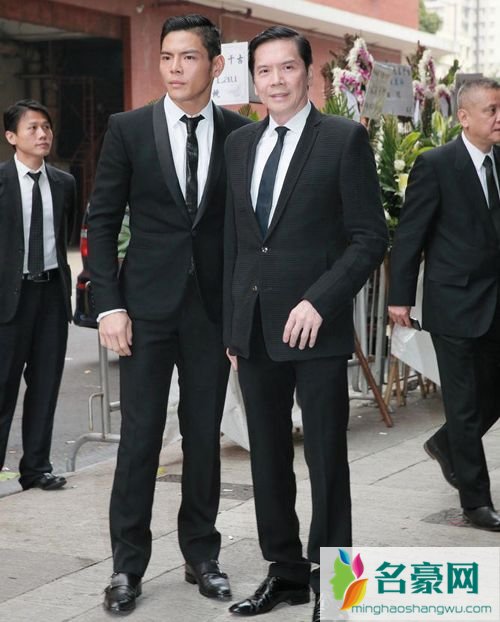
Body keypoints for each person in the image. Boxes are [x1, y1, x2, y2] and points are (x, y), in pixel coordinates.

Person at [223, 26, 388, 622]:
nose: (275, 81)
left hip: (317, 330)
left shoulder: (343, 139)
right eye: (264, 71)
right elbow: (237, 242)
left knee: (325, 461)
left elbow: (370, 238)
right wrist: (233, 328)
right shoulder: (240, 143)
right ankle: (287, 574)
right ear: (254, 78)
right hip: (256, 332)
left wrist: (319, 301)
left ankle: (338, 589)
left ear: (308, 73)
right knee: (267, 460)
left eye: (286, 68)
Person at [87, 14, 250, 615]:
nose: (175, 68)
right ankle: (126, 567)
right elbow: (102, 220)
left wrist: (243, 316)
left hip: (211, 312)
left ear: (216, 64)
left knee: (204, 437)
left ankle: (201, 555)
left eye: (188, 57)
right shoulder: (128, 129)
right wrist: (109, 304)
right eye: (167, 57)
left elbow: (246, 230)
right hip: (145, 311)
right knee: (139, 440)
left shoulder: (240, 134)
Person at [388, 77, 500, 532]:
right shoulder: (436, 165)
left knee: (489, 392)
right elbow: (410, 234)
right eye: (492, 110)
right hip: (453, 301)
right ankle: (476, 501)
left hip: (495, 300)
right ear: (464, 117)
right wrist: (399, 297)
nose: (499, 118)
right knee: (463, 401)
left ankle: (446, 443)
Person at [0, 100, 75, 492]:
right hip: (8, 300)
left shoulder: (64, 184)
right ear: (11, 137)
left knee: (45, 385)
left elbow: (64, 238)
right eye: (32, 128)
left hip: (50, 297)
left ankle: (36, 469)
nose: (43, 134)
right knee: (3, 388)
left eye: (46, 127)